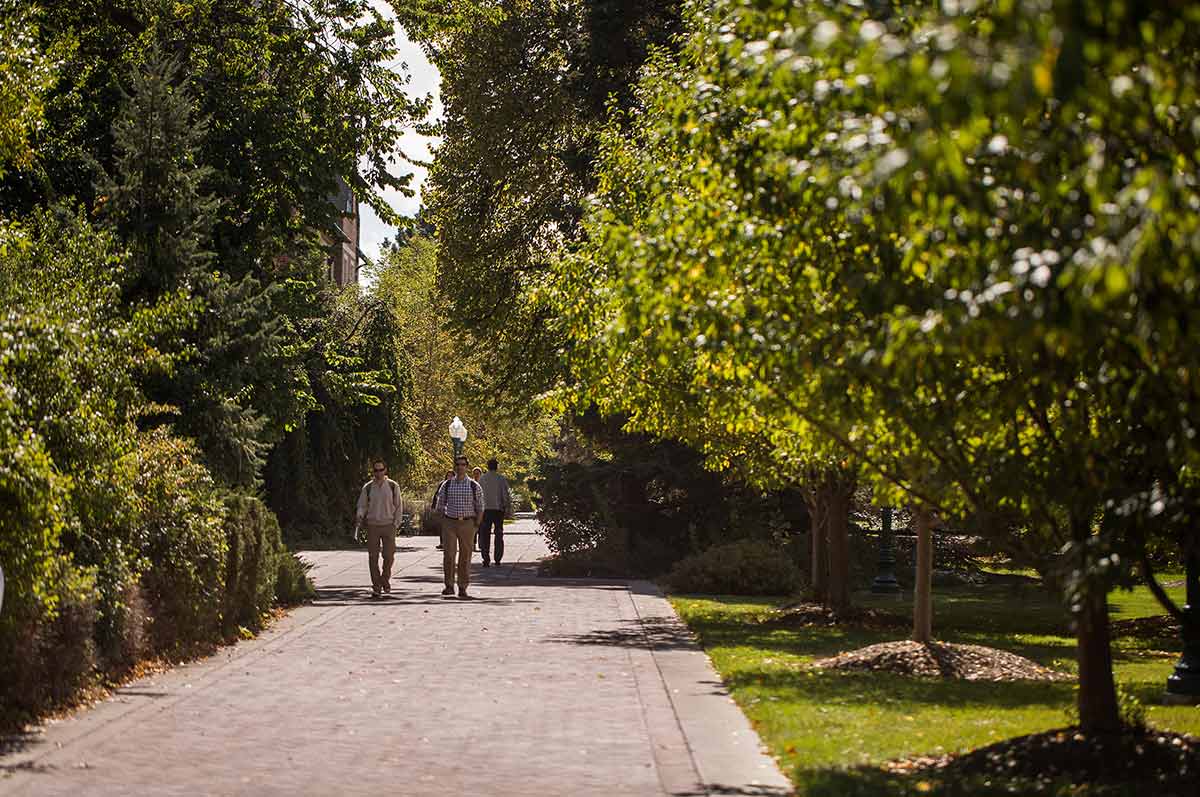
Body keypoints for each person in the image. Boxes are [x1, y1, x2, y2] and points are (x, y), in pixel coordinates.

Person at [434, 455, 483, 598]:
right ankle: (449, 585)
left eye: (463, 464)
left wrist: (476, 525)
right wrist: (443, 520)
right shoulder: (447, 484)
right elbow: (440, 504)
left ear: (467, 466)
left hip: (467, 523)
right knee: (449, 554)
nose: (460, 467)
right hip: (450, 522)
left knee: (465, 556)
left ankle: (462, 586)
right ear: (455, 467)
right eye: (458, 464)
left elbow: (480, 507)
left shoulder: (474, 486)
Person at [355, 459, 403, 598]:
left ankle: (385, 578)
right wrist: (359, 515)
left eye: (380, 470)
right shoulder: (368, 487)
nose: (378, 473)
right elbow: (362, 505)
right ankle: (376, 586)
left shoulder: (393, 486)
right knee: (373, 557)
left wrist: (396, 523)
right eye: (376, 470)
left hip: (389, 525)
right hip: (373, 525)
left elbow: (398, 505)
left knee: (389, 555)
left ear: (385, 470)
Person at [477, 458, 512, 567]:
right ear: (496, 466)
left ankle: (486, 558)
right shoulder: (501, 479)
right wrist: (507, 507)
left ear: (488, 466)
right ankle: (497, 558)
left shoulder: (482, 479)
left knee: (485, 534)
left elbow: (478, 495)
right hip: (498, 509)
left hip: (485, 510)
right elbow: (505, 494)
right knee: (499, 534)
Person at [431, 469, 453, 550]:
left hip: (451, 509)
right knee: (442, 526)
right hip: (442, 508)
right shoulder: (442, 484)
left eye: (451, 475)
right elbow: (436, 495)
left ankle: (449, 543)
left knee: (450, 527)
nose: (449, 477)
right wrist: (434, 506)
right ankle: (442, 542)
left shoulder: (456, 484)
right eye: (448, 475)